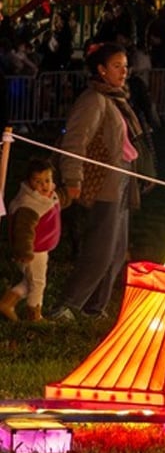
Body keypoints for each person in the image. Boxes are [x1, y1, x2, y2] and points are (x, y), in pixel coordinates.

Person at [49, 42, 148, 322]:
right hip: (104, 184)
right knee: (100, 250)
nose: (124, 71)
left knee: (117, 250)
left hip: (122, 180)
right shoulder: (94, 100)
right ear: (101, 70)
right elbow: (75, 141)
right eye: (117, 66)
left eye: (126, 66)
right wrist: (72, 178)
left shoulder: (118, 98)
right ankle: (67, 304)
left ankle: (95, 306)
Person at [0, 157, 68, 323]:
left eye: (47, 180)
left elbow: (57, 200)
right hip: (33, 251)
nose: (44, 185)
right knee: (38, 283)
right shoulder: (29, 204)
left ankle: (7, 303)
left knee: (29, 281)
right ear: (29, 182)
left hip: (40, 248)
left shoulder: (46, 195)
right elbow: (23, 231)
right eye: (38, 181)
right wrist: (24, 252)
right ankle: (34, 316)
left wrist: (69, 195)